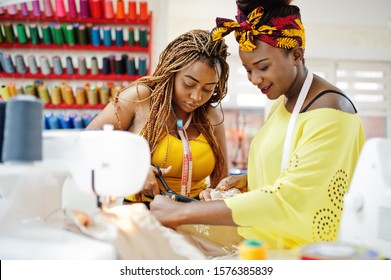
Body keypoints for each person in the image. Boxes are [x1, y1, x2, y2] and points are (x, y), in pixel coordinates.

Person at [150, 0, 366, 250]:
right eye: (248, 70)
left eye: (262, 67)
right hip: (267, 245)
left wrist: (180, 212)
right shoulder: (283, 103)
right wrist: (248, 181)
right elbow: (299, 171)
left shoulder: (331, 113)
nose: (254, 79)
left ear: (296, 54)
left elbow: (289, 199)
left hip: (305, 257)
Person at [86, 29, 230, 206]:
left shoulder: (211, 117)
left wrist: (214, 194)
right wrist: (133, 168)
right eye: (189, 84)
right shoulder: (140, 99)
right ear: (172, 72)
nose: (196, 97)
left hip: (194, 217)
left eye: (208, 89)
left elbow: (223, 181)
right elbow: (86, 144)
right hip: (140, 215)